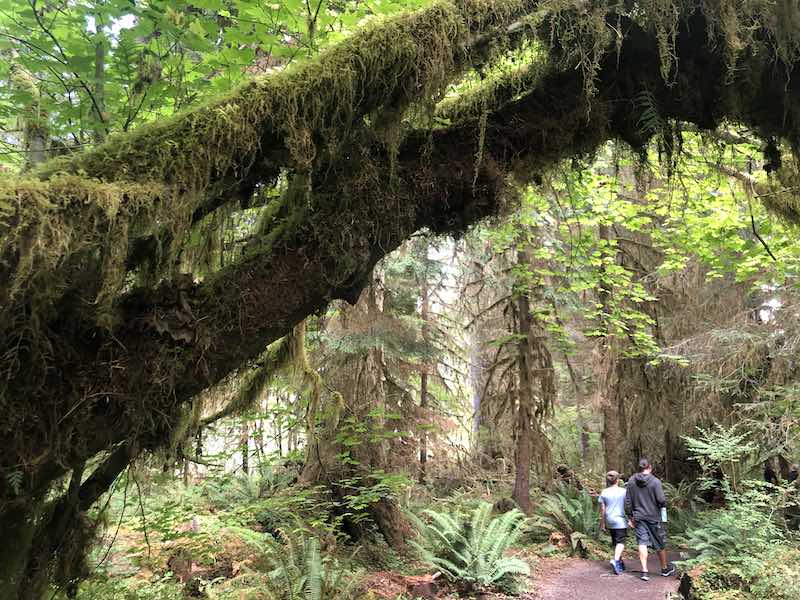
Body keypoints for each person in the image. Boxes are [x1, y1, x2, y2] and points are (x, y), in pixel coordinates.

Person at [624, 457, 675, 581]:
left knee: (642, 542)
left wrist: (630, 516)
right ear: (650, 467)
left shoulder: (631, 481)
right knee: (659, 542)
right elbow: (661, 500)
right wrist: (662, 507)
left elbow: (628, 501)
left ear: (639, 468)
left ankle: (644, 571)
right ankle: (664, 569)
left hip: (639, 517)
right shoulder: (655, 482)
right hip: (654, 517)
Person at [598, 470, 628, 575]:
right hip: (620, 520)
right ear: (618, 480)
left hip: (609, 520)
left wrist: (602, 523)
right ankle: (615, 560)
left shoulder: (604, 492)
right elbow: (627, 506)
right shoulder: (624, 491)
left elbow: (602, 509)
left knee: (616, 542)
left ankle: (620, 562)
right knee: (621, 542)